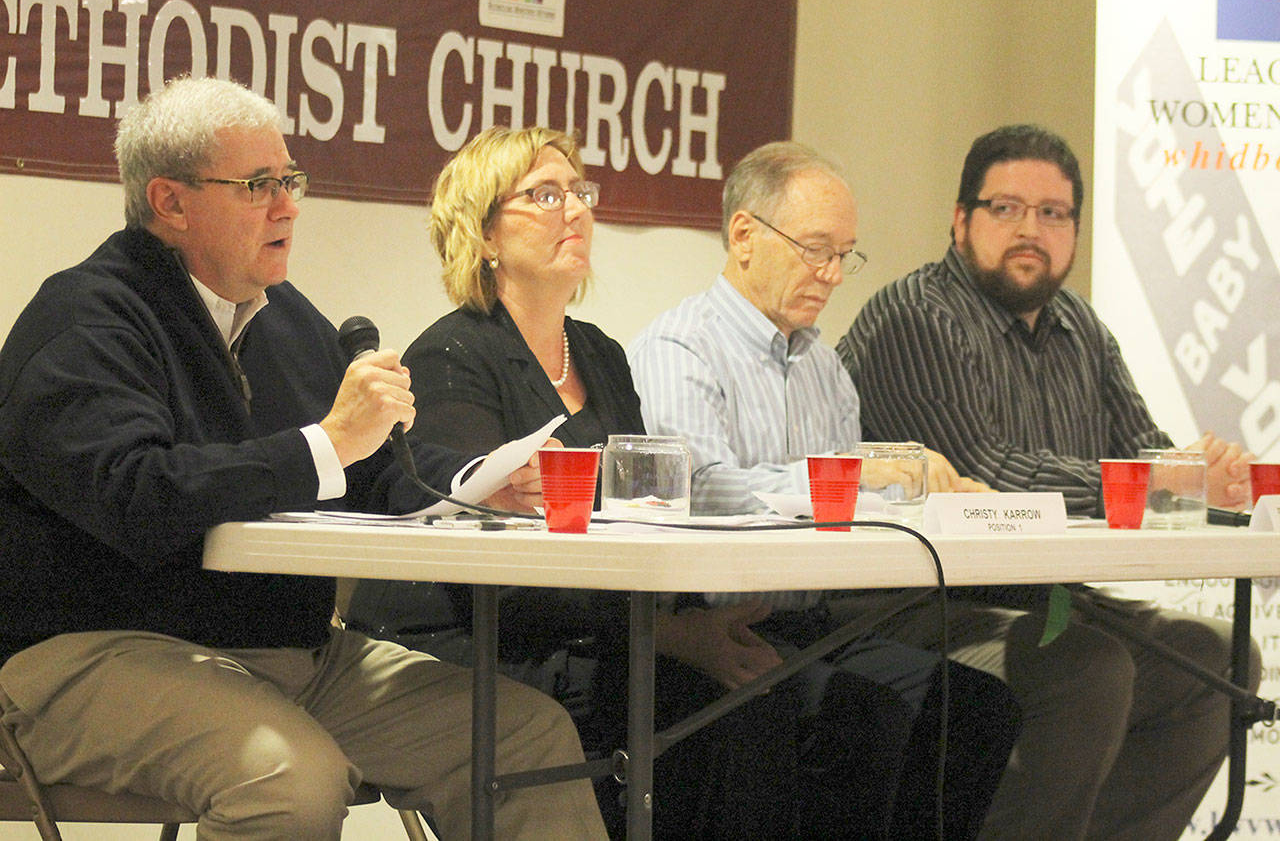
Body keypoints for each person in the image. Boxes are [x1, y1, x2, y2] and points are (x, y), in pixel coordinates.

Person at [0, 77, 606, 841]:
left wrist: (478, 483)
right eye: (258, 185)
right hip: (91, 652)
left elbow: (373, 469)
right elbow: (137, 497)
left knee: (524, 737)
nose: (287, 204)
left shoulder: (286, 317)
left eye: (290, 179)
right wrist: (323, 443)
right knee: (290, 779)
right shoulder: (85, 317)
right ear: (170, 202)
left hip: (287, 652)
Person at [837, 123, 1261, 839]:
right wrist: (1156, 475)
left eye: (1053, 213)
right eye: (1005, 208)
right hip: (916, 607)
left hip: (1055, 601)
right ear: (960, 219)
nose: (1030, 229)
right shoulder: (915, 317)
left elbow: (1142, 458)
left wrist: (1200, 482)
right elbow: (988, 470)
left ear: (1075, 229)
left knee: (1218, 661)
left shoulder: (1080, 328)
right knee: (1087, 670)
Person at [626, 140, 1021, 839]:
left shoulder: (823, 366)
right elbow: (701, 489)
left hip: (820, 617)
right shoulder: (680, 348)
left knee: (978, 708)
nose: (834, 274)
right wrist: (857, 474)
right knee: (861, 712)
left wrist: (936, 494)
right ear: (744, 235)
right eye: (816, 249)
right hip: (714, 622)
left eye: (846, 253)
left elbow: (853, 511)